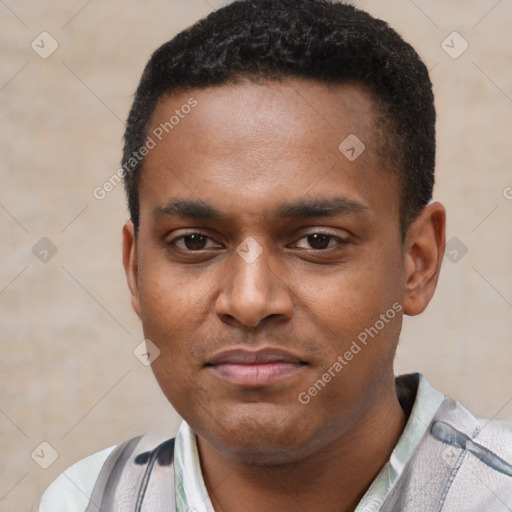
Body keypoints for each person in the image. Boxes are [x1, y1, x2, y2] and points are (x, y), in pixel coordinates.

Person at [39, 0, 512, 510]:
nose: (249, 301)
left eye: (318, 241)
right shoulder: (86, 499)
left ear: (417, 262)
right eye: (194, 242)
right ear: (134, 269)